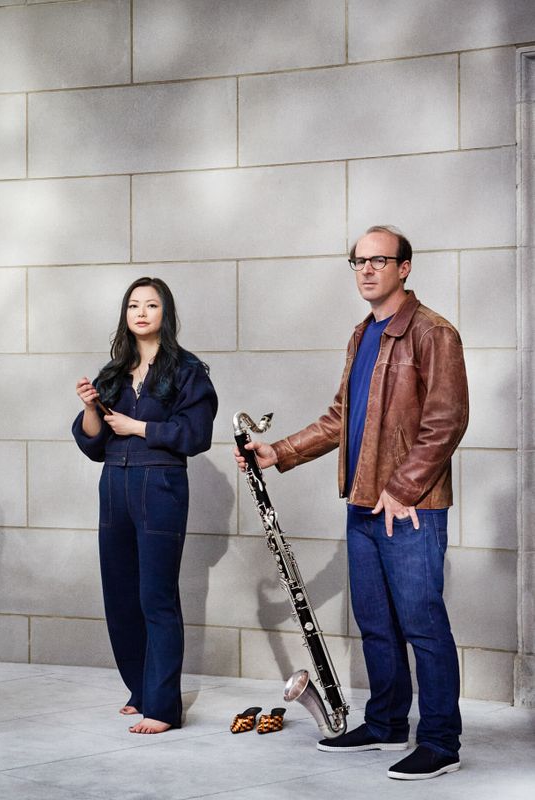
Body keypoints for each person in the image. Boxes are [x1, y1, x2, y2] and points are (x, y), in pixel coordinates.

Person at [236, 226, 467, 780]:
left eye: (378, 260)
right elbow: (341, 417)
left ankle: (441, 742)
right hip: (363, 504)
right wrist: (279, 452)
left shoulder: (433, 332)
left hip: (411, 507)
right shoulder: (363, 334)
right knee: (376, 623)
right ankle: (386, 724)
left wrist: (402, 487)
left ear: (404, 267)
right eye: (358, 261)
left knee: (423, 625)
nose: (366, 269)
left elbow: (447, 420)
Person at [72, 276, 218, 735]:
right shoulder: (114, 372)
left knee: (156, 596)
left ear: (165, 313)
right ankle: (140, 689)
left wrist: (140, 428)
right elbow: (93, 442)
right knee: (120, 596)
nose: (141, 312)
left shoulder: (187, 370)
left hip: (161, 487)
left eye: (151, 305)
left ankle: (163, 707)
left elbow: (196, 434)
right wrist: (90, 407)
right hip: (114, 485)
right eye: (133, 305)